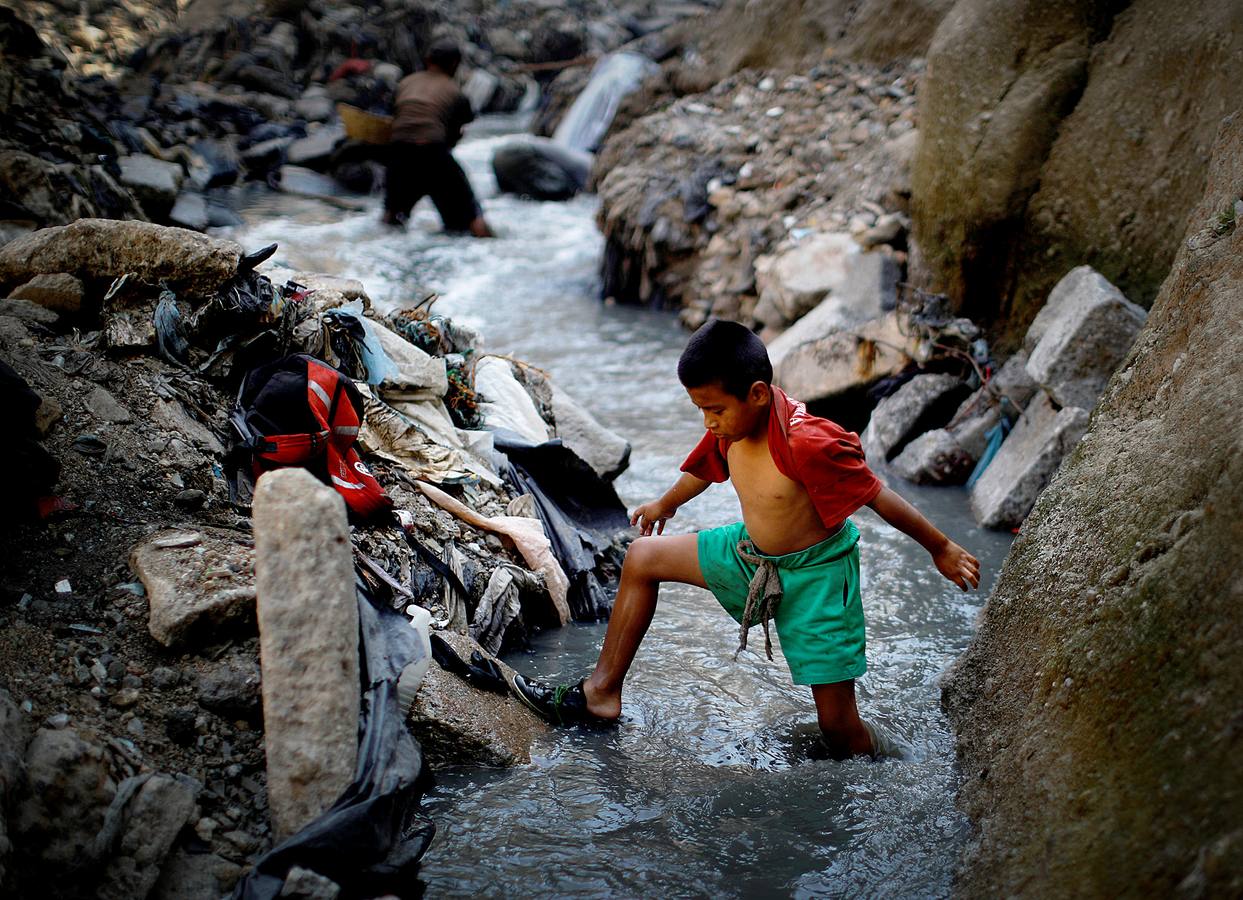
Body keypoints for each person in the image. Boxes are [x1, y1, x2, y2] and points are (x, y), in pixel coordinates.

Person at [510, 319, 981, 759]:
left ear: (757, 394)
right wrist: (665, 504)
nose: (708, 422)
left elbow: (876, 495)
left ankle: (895, 758)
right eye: (700, 409)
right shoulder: (731, 427)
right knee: (642, 556)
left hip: (817, 577)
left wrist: (940, 547)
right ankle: (601, 693)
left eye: (714, 409)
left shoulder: (808, 442)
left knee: (838, 728)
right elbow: (705, 469)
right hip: (751, 555)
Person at [383, 41, 493, 237]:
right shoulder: (454, 91)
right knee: (472, 218)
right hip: (432, 151)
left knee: (393, 215)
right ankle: (493, 249)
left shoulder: (406, 83)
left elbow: (393, 117)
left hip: (398, 152)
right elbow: (457, 129)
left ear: (428, 60)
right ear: (455, 65)